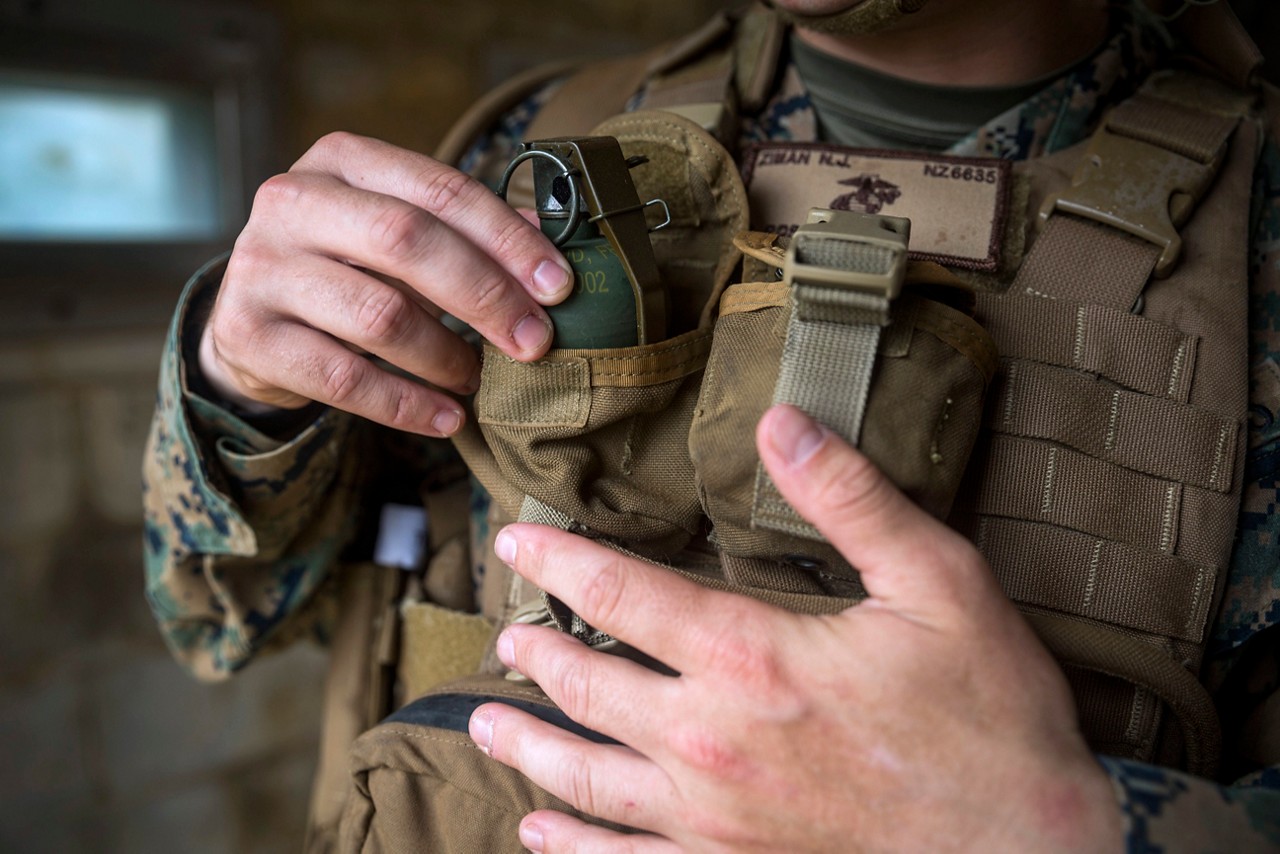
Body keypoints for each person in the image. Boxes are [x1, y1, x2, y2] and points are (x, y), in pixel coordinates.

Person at [143, 0, 1280, 850]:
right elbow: (222, 623)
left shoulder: (1252, 219)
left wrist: (1064, 826)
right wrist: (237, 390)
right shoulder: (536, 141)